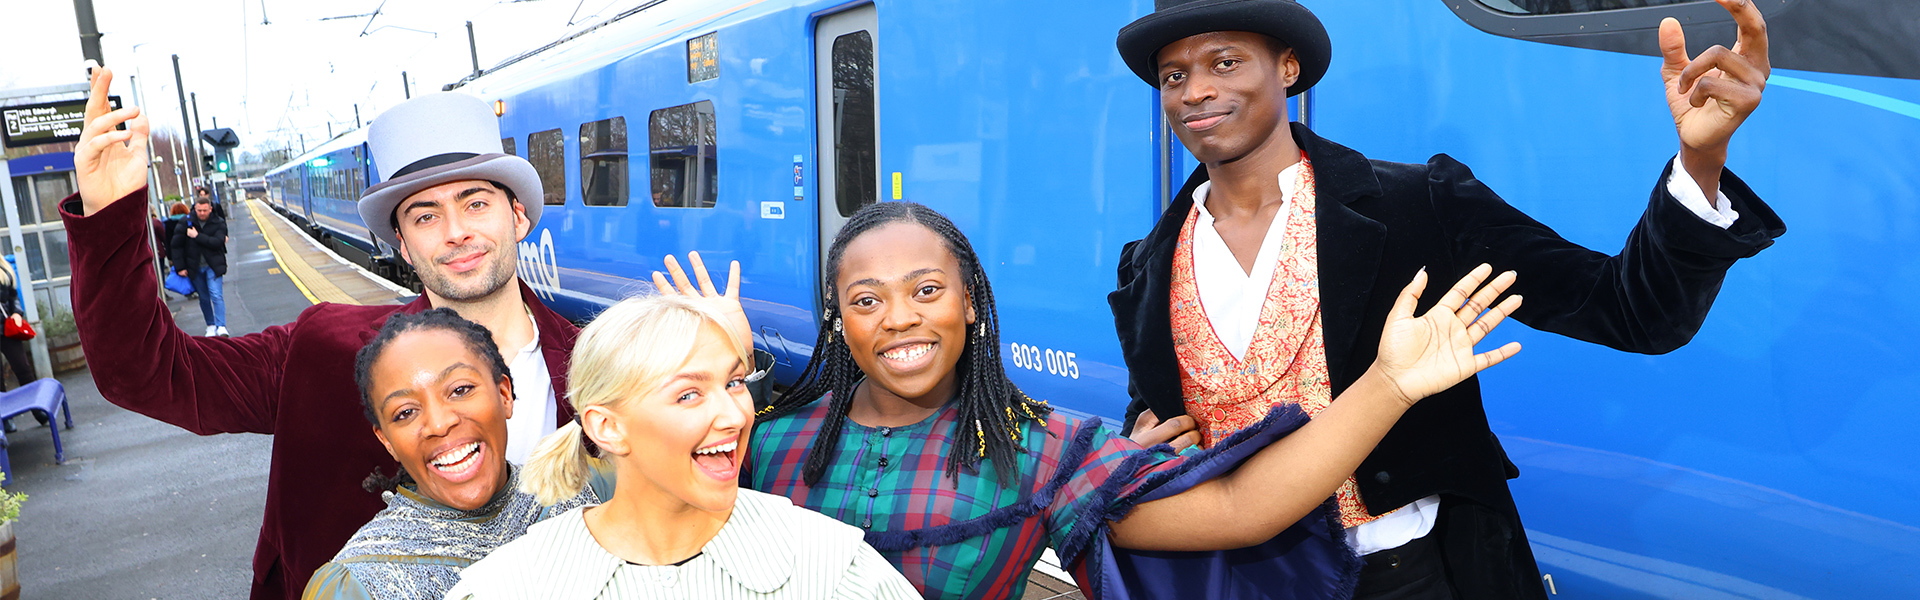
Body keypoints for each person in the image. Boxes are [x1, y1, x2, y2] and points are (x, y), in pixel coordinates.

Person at [1107, 0, 1785, 597]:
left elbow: (1635, 311)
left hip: (1406, 577)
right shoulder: (1147, 266)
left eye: (1224, 62)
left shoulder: (1417, 206)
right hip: (1228, 581)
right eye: (1174, 75)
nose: (1195, 90)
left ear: (1287, 68)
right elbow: (1159, 416)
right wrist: (1137, 451)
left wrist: (1702, 159)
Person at [664, 200, 1523, 600]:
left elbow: (1236, 509)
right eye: (866, 300)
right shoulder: (764, 438)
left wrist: (1389, 384)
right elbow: (620, 488)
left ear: (970, 300)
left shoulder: (1040, 450)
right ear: (837, 320)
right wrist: (713, 370)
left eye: (927, 289)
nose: (900, 320)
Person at [66, 71, 578, 599]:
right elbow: (145, 372)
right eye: (426, 216)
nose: (455, 231)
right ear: (402, 246)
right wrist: (110, 219)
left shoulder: (605, 368)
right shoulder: (325, 351)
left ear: (518, 216)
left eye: (475, 203)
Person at [448, 295, 919, 599]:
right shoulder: (511, 585)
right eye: (689, 394)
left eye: (735, 382)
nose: (737, 415)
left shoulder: (831, 567)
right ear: (607, 426)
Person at [303, 309, 604, 600]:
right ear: (387, 442)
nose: (439, 423)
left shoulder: (591, 490)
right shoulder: (357, 585)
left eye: (460, 390)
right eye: (405, 412)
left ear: (504, 395)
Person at [171, 196, 230, 337]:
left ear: (210, 209)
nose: (202, 213)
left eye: (205, 210)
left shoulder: (218, 222)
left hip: (213, 265)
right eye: (199, 210)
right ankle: (210, 325)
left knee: (216, 295)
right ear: (194, 209)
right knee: (203, 297)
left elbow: (217, 242)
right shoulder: (185, 222)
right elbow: (176, 246)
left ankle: (221, 326)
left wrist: (197, 236)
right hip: (194, 266)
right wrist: (180, 267)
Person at [0, 257, 41, 433]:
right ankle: (5, 418)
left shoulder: (3, 265)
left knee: (23, 368)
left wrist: (17, 313)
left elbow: (12, 295)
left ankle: (38, 408)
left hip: (6, 327)